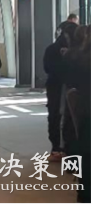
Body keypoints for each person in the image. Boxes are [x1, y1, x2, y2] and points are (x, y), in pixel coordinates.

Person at [43, 21, 78, 161]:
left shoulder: (52, 48)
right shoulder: (77, 51)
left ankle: (57, 148)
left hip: (55, 87)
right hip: (66, 87)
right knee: (67, 118)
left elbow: (47, 68)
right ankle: (65, 148)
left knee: (55, 116)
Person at [64, 25, 90, 203]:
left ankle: (84, 194)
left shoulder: (78, 57)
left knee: (86, 154)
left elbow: (70, 82)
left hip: (84, 111)